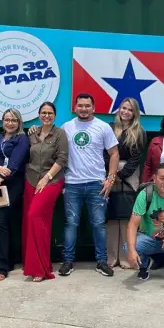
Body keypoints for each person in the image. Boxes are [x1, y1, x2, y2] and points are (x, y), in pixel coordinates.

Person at [60, 93, 120, 277]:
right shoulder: (66, 127)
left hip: (97, 184)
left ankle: (101, 262)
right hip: (72, 184)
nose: (83, 109)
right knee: (71, 224)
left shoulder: (103, 127)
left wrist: (110, 179)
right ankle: (68, 261)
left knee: (99, 224)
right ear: (75, 107)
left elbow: (114, 154)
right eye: (80, 105)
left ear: (93, 107)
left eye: (87, 105)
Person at [22, 102, 68, 282]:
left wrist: (47, 177)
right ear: (39, 114)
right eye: (43, 113)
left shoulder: (60, 134)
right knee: (36, 223)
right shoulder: (32, 133)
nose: (46, 116)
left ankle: (40, 270)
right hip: (30, 181)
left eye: (50, 113)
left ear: (55, 116)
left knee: (35, 216)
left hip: (51, 181)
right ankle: (38, 264)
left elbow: (63, 158)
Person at [0, 108, 30, 281]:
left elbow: (15, 163)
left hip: (12, 185)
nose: (10, 123)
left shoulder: (22, 139)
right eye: (7, 119)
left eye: (14, 120)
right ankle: (9, 260)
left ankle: (0, 267)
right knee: (5, 223)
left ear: (19, 123)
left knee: (2, 222)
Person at [105, 98, 147, 269]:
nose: (126, 112)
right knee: (111, 218)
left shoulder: (139, 131)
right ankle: (111, 257)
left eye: (130, 109)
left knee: (126, 218)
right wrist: (111, 174)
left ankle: (125, 257)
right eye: (123, 108)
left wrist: (121, 175)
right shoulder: (109, 127)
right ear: (119, 109)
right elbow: (104, 152)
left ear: (135, 113)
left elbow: (136, 158)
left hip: (129, 178)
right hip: (109, 173)